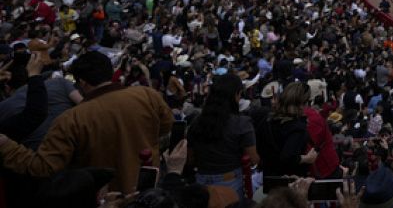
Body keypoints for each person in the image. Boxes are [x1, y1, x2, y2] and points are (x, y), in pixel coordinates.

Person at [0, 50, 171, 193]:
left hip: (104, 197)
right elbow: (166, 127)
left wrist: (7, 145)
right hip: (148, 191)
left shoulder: (72, 119)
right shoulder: (148, 95)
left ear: (81, 81)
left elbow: (44, 167)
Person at [187, 72, 259, 204]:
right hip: (230, 181)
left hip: (201, 181)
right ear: (236, 95)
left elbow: (190, 159)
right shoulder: (242, 123)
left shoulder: (196, 122)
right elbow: (253, 159)